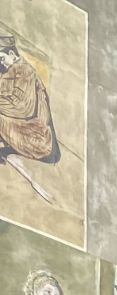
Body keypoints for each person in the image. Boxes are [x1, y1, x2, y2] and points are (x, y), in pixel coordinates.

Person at [0, 30, 58, 203]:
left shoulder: (25, 71)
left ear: (12, 53)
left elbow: (21, 107)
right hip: (19, 129)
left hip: (34, 137)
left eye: (2, 58)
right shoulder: (9, 72)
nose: (1, 62)